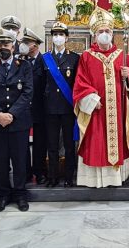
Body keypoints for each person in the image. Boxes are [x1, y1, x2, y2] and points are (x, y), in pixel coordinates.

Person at [73, 6, 129, 188]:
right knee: (96, 142)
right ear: (94, 34)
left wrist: (128, 76)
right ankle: (93, 180)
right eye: (101, 31)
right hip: (96, 110)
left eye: (108, 30)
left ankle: (114, 178)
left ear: (113, 33)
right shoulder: (86, 56)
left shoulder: (123, 56)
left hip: (117, 110)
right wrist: (92, 99)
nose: (105, 33)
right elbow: (80, 82)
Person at [0, 28, 33, 212]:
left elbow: (28, 92)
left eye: (6, 44)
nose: (3, 47)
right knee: (0, 162)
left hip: (18, 121)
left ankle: (20, 195)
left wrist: (11, 114)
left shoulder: (24, 66)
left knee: (20, 161)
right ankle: (3, 195)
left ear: (14, 46)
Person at [39, 22, 80, 187]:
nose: (58, 37)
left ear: (67, 37)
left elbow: (78, 84)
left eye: (61, 34)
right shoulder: (44, 58)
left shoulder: (74, 58)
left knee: (70, 145)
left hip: (68, 108)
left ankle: (69, 177)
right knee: (52, 145)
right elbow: (41, 84)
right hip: (50, 109)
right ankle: (53, 176)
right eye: (55, 34)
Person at [19, 27, 47, 185]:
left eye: (27, 42)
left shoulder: (45, 61)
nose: (24, 45)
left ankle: (40, 171)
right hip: (22, 109)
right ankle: (25, 172)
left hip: (40, 108)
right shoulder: (19, 62)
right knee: (22, 144)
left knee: (40, 143)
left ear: (35, 45)